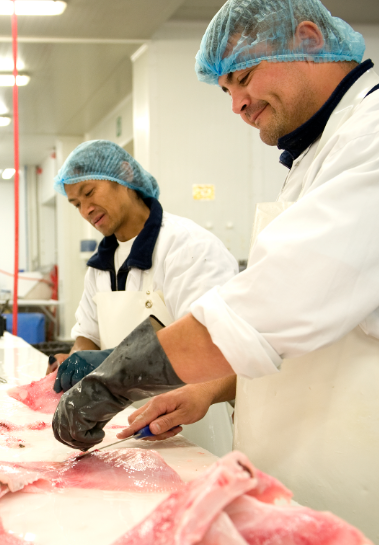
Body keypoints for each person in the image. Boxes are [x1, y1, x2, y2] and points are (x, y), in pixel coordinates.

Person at [51, 0, 379, 545]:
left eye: (243, 78)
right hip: (323, 471)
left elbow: (277, 305)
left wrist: (114, 380)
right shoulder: (322, 154)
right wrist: (210, 391)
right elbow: (315, 333)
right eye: (226, 90)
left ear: (309, 38)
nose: (237, 104)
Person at [46, 140, 238, 416]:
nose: (85, 210)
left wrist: (113, 361)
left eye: (89, 192)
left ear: (124, 174)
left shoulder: (188, 246)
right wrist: (76, 359)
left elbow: (214, 344)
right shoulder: (100, 265)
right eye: (76, 204)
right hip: (119, 421)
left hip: (191, 423)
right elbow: (88, 335)